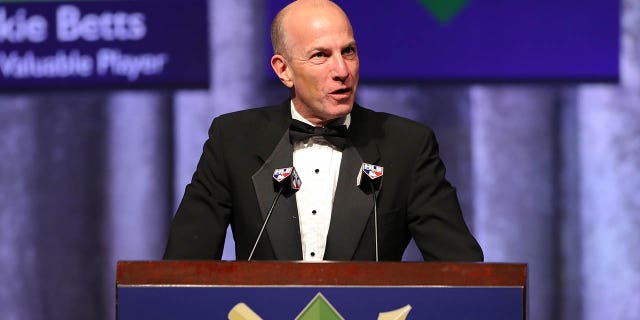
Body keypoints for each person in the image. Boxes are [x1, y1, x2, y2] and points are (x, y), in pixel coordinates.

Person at [163, 0, 483, 261]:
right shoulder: (234, 139)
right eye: (321, 55)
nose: (342, 71)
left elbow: (463, 274)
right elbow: (183, 269)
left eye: (349, 52)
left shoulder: (406, 146)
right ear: (283, 69)